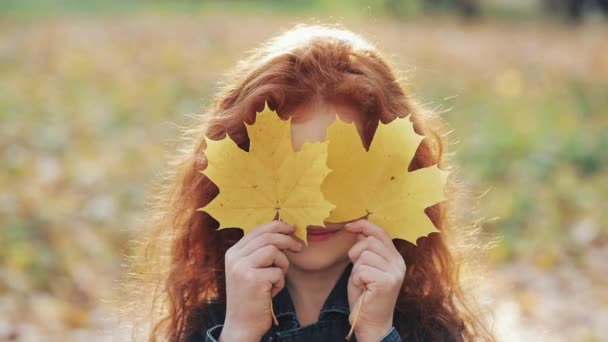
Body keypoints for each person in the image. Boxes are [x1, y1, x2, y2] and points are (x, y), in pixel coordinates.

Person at [123, 24, 495, 342]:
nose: (321, 207)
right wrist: (238, 334)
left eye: (339, 176)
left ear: (396, 175)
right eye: (294, 178)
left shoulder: (425, 327)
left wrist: (379, 334)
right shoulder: (215, 324)